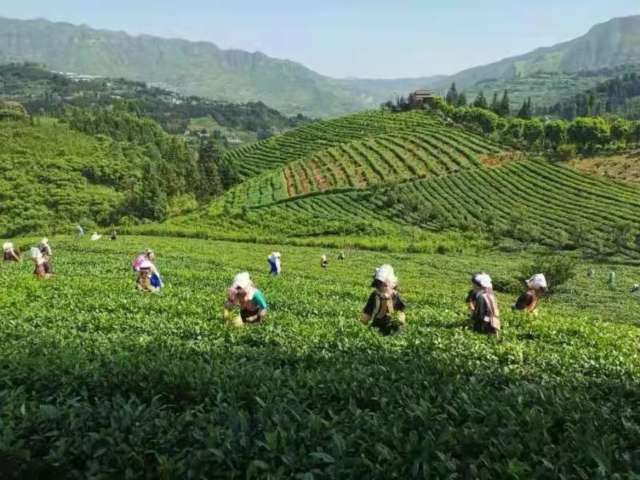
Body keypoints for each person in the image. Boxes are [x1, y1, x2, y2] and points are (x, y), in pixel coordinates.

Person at [361, 264, 406, 336]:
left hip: (392, 325)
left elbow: (401, 309)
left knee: (396, 331)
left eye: (385, 285)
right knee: (373, 333)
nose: (382, 289)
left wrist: (400, 318)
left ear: (393, 284)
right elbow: (368, 311)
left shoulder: (396, 296)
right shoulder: (375, 296)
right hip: (377, 324)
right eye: (378, 286)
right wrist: (364, 320)